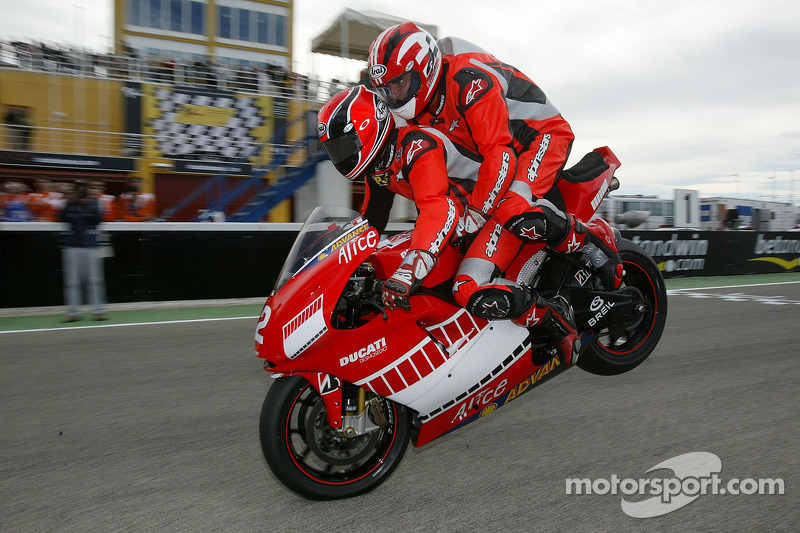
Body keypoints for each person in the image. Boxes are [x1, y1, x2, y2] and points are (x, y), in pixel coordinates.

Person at [366, 23, 623, 365]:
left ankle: (595, 245)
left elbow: (498, 155)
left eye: (401, 82)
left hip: (537, 139)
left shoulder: (467, 80)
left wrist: (475, 213)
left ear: (425, 68)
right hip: (500, 156)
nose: (395, 95)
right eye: (387, 88)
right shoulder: (413, 109)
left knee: (512, 209)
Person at [317, 85, 481, 310]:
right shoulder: (378, 168)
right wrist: (338, 247)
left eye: (344, 145)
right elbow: (373, 220)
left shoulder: (417, 146)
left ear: (367, 128)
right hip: (458, 226)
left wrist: (407, 273)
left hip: (488, 216)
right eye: (334, 149)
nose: (341, 155)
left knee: (465, 293)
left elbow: (436, 209)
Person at [59, 180, 107, 322]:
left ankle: (98, 311)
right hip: (72, 245)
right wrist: (71, 201)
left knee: (94, 280)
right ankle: (73, 313)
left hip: (90, 245)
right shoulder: (69, 203)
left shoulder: (93, 203)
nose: (81, 192)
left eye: (83, 188)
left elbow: (98, 220)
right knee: (71, 281)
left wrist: (87, 202)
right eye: (78, 189)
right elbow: (62, 217)